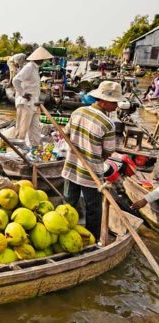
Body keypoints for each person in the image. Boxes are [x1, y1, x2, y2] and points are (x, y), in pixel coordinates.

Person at [62, 81, 123, 240]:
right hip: (91, 173)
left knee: (68, 204)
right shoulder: (108, 124)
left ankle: (63, 233)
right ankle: (92, 240)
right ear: (103, 101)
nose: (117, 106)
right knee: (93, 209)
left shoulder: (78, 111)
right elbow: (108, 152)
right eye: (114, 102)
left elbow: (66, 134)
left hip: (72, 166)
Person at [13, 46, 50, 146]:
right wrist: (23, 94)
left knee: (35, 130)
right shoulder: (29, 67)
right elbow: (15, 80)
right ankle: (17, 152)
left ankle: (36, 149)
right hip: (25, 103)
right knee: (21, 130)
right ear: (37, 59)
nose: (42, 61)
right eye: (41, 59)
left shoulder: (36, 69)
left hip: (34, 103)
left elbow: (33, 86)